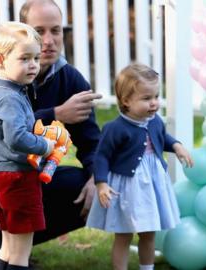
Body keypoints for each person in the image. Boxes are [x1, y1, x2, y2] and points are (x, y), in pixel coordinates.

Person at [0, 0, 102, 247]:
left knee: (84, 185)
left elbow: (92, 141)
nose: (49, 40)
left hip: (30, 175)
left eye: (56, 30)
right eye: (39, 31)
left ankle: (16, 241)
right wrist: (56, 114)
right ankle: (4, 238)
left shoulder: (70, 79)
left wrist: (97, 178)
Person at [86, 63, 194, 270]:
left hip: (153, 184)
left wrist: (177, 146)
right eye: (146, 98)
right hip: (128, 186)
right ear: (126, 101)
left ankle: (147, 268)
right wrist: (101, 184)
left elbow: (162, 138)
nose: (154, 103)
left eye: (156, 96)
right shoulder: (115, 128)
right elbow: (101, 157)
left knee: (149, 232)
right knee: (124, 233)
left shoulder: (155, 121)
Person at [0, 22, 57, 270]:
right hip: (18, 178)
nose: (34, 64)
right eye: (25, 58)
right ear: (1, 61)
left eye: (36, 57)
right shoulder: (11, 98)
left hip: (0, 177)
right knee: (21, 254)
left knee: (7, 246)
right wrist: (44, 145)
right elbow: (16, 138)